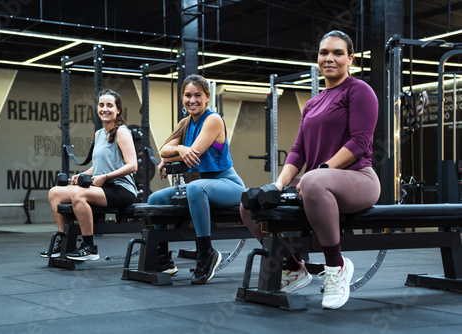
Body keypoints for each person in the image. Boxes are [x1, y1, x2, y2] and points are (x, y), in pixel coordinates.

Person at [240, 30, 381, 309]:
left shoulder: (359, 90)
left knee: (315, 180)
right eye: (324, 52)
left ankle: (336, 267)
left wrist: (321, 170)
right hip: (318, 182)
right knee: (250, 202)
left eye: (338, 53)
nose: (329, 58)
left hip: (358, 179)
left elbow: (360, 142)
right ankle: (293, 268)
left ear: (350, 59)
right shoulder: (313, 103)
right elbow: (298, 151)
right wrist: (278, 185)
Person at [148, 74, 245, 285]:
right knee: (155, 199)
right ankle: (163, 259)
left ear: (207, 97)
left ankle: (206, 253)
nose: (192, 100)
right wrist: (179, 149)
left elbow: (194, 154)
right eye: (187, 95)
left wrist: (177, 152)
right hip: (205, 185)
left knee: (194, 188)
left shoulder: (213, 119)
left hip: (229, 184)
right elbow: (164, 150)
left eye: (197, 95)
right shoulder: (185, 123)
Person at [42, 89, 138, 261]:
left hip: (121, 189)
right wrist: (82, 174)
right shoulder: (99, 134)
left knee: (78, 193)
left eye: (110, 105)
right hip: (102, 186)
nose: (104, 109)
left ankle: (89, 247)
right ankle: (63, 241)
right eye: (101, 105)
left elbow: (133, 166)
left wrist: (106, 177)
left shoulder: (122, 132)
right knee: (54, 192)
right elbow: (99, 165)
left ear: (118, 110)